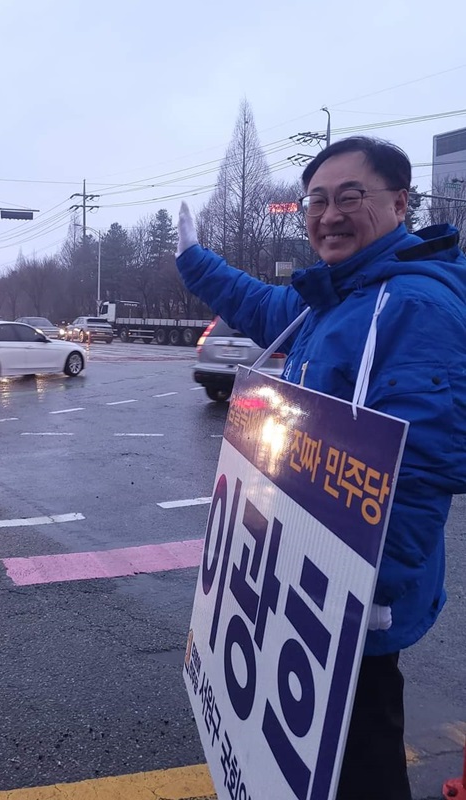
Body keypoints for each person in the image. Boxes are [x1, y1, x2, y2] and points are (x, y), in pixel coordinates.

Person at [175, 136, 466, 800]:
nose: (327, 215)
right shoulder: (336, 295)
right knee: (302, 764)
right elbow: (256, 304)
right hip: (305, 590)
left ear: (399, 202)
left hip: (349, 605)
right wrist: (193, 261)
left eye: (348, 198)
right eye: (315, 200)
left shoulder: (415, 306)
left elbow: (419, 467)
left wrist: (366, 598)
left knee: (358, 764)